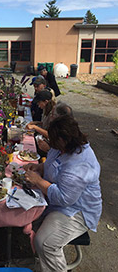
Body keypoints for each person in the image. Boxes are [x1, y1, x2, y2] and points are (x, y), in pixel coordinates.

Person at [23, 115, 102, 271]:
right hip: (61, 202)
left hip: (77, 210)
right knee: (26, 216)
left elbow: (64, 198)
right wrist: (40, 169)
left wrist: (38, 181)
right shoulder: (62, 148)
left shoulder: (80, 165)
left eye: (54, 142)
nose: (50, 145)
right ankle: (43, 263)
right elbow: (53, 164)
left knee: (44, 242)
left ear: (64, 141)